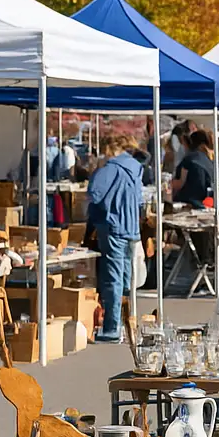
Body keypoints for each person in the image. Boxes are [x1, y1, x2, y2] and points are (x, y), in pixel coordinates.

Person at [87, 137, 146, 343]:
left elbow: (94, 193)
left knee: (113, 278)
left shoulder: (110, 168)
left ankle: (112, 327)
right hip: (132, 227)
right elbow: (140, 201)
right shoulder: (136, 168)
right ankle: (127, 318)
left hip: (113, 225)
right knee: (126, 277)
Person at [170, 128, 215, 207]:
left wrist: (168, 184)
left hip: (188, 201)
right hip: (205, 201)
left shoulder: (189, 159)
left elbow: (180, 183)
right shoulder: (209, 160)